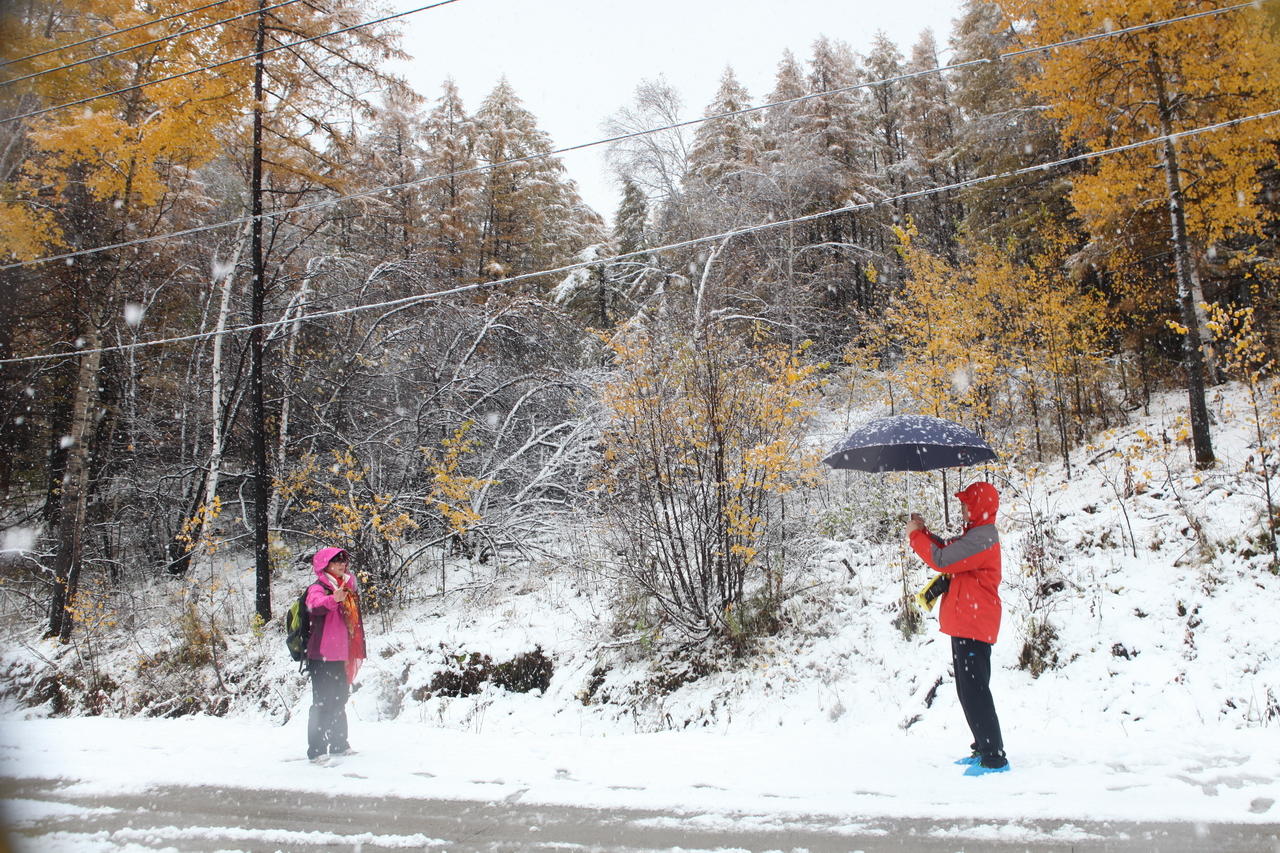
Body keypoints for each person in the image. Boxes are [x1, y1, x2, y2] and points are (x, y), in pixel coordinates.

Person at [907, 481, 1009, 776]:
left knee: (975, 691)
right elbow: (948, 549)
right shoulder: (975, 535)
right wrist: (923, 532)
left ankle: (994, 757)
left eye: (966, 503)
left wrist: (915, 537)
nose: (962, 508)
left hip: (974, 623)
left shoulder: (982, 538)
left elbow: (942, 559)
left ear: (978, 507)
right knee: (967, 690)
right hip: (966, 622)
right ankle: (983, 746)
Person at [305, 547, 366, 764]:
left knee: (339, 699)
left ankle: (339, 744)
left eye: (344, 561)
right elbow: (314, 605)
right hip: (321, 655)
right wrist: (333, 599)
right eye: (336, 561)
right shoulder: (318, 588)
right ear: (325, 565)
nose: (342, 564)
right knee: (322, 702)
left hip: (341, 654)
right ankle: (316, 750)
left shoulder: (345, 586)